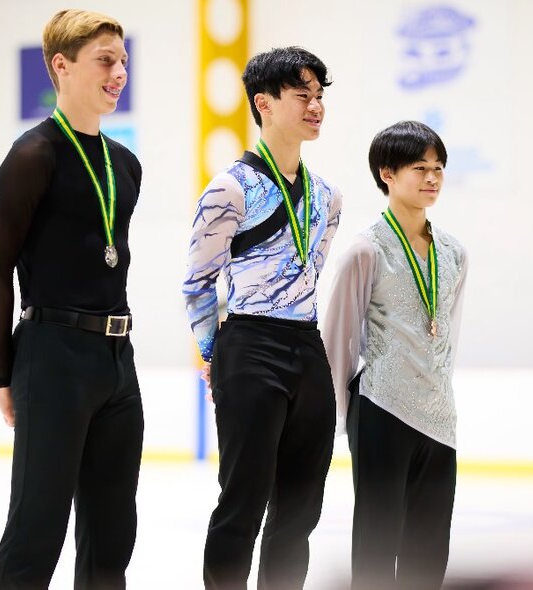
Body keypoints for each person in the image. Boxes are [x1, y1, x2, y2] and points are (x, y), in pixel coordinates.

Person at [0, 9, 143, 589]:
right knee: (36, 529)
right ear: (61, 66)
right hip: (52, 356)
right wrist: (4, 374)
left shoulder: (126, 165)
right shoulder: (33, 156)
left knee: (113, 534)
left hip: (118, 361)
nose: (119, 72)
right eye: (105, 61)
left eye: (123, 61)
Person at [182, 46, 342, 589]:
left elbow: (311, 273)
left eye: (320, 95)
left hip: (307, 345)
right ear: (264, 103)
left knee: (300, 509)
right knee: (244, 500)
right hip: (248, 345)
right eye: (303, 95)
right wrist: (210, 354)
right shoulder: (229, 188)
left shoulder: (328, 197)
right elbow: (198, 282)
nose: (316, 106)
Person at [322, 121, 468, 590]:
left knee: (430, 548)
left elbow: (447, 333)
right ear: (387, 173)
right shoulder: (366, 250)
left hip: (439, 418)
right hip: (382, 410)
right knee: (377, 543)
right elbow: (338, 340)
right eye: (419, 167)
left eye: (438, 168)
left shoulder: (454, 253)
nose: (432, 178)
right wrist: (339, 420)